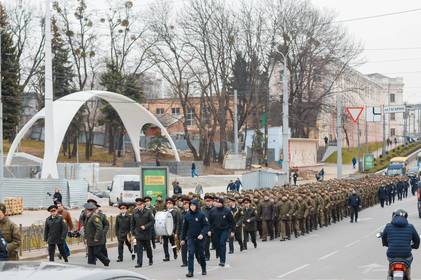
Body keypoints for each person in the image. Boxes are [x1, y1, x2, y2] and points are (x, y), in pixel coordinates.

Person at [381, 209, 420, 279]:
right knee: (408, 268)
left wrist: (387, 244)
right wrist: (414, 246)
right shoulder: (410, 227)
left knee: (390, 267)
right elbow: (417, 240)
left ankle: (390, 275)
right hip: (406, 255)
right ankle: (408, 276)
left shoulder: (388, 226)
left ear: (394, 216)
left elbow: (384, 239)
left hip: (392, 255)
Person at [180, 199, 208, 278]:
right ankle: (190, 271)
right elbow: (184, 228)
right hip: (190, 238)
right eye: (191, 205)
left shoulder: (201, 215)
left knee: (201, 254)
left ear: (196, 206)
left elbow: (206, 226)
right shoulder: (187, 216)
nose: (192, 207)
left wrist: (202, 234)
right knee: (191, 253)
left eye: (193, 205)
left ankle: (204, 269)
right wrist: (182, 239)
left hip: (200, 238)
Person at [208, 197, 234, 267]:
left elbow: (232, 222)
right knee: (217, 244)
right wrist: (209, 230)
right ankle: (219, 253)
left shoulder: (227, 211)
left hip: (224, 230)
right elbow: (209, 222)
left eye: (219, 202)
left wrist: (232, 231)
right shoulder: (212, 211)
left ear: (222, 203)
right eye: (217, 202)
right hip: (215, 230)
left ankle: (222, 260)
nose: (218, 204)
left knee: (222, 243)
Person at [131, 198, 155, 268]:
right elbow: (132, 223)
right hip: (138, 233)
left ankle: (150, 258)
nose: (139, 206)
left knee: (148, 248)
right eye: (137, 204)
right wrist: (132, 234)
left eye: (140, 204)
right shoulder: (134, 212)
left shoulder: (148, 211)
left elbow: (153, 221)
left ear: (143, 204)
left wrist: (145, 226)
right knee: (139, 249)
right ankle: (139, 263)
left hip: (146, 233)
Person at [201, 195, 214, 260]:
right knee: (206, 243)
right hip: (206, 228)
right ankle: (207, 255)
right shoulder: (202, 209)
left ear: (212, 201)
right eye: (206, 201)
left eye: (209, 201)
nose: (208, 202)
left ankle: (219, 252)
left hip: (215, 228)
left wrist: (211, 230)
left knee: (217, 243)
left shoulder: (215, 209)